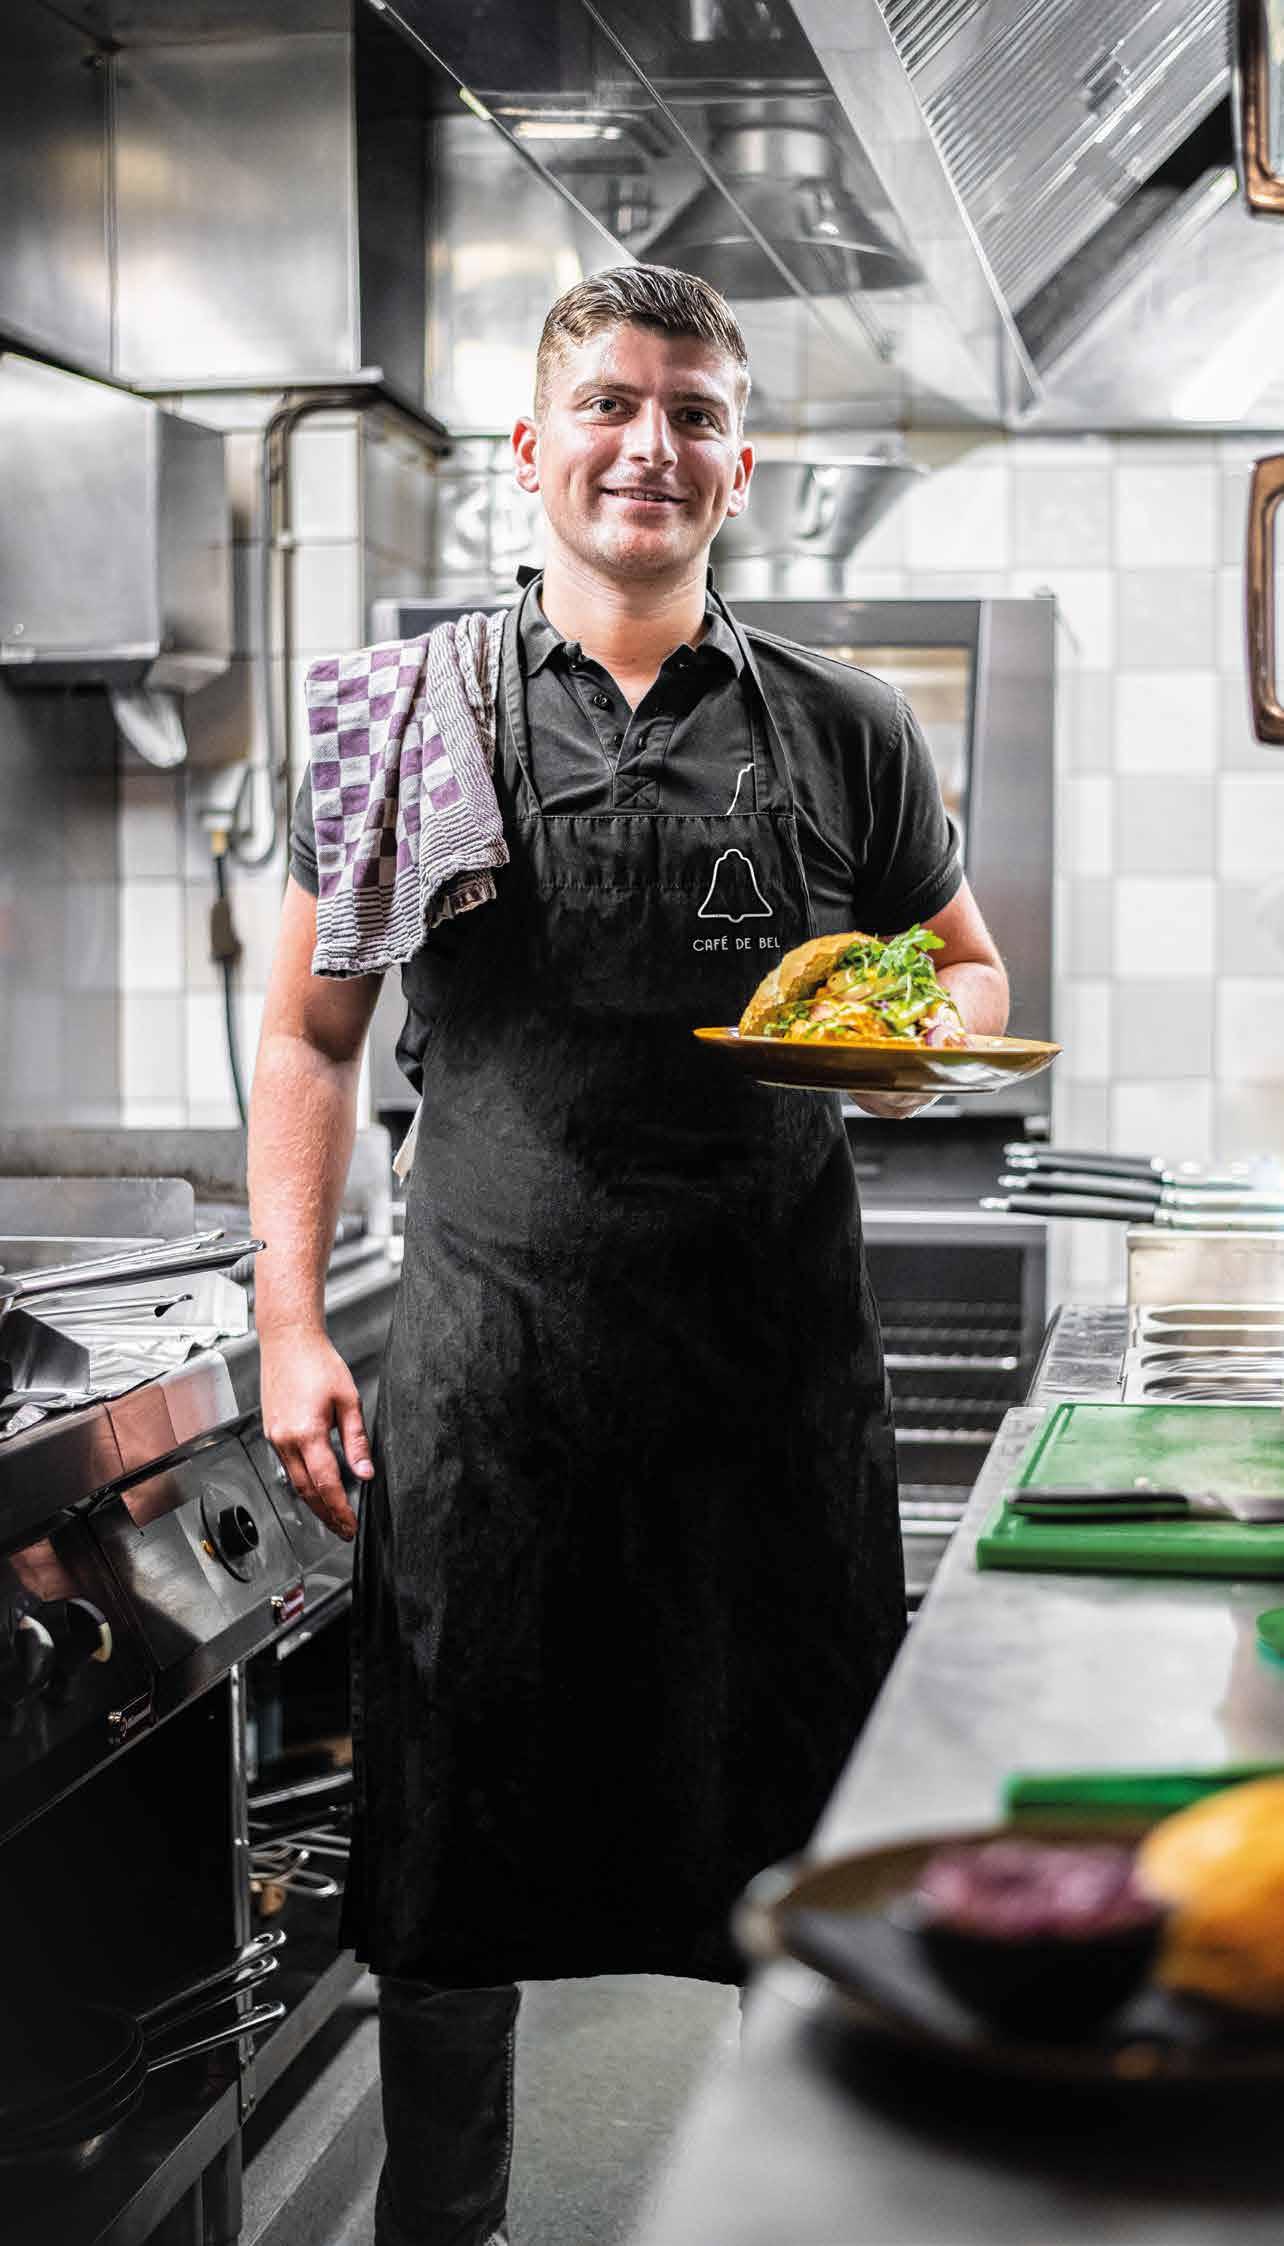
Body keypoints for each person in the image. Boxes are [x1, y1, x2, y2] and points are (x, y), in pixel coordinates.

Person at [248, 264, 1008, 2246]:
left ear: (740, 464)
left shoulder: (846, 725)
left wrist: (906, 1036)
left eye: (692, 411)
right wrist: (286, 1321)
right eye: (608, 402)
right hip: (495, 1390)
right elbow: (311, 1035)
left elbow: (969, 973)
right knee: (449, 1885)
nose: (648, 444)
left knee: (795, 1848)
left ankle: (805, 2210)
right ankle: (448, 2227)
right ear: (532, 447)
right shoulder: (399, 714)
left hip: (770, 1400)